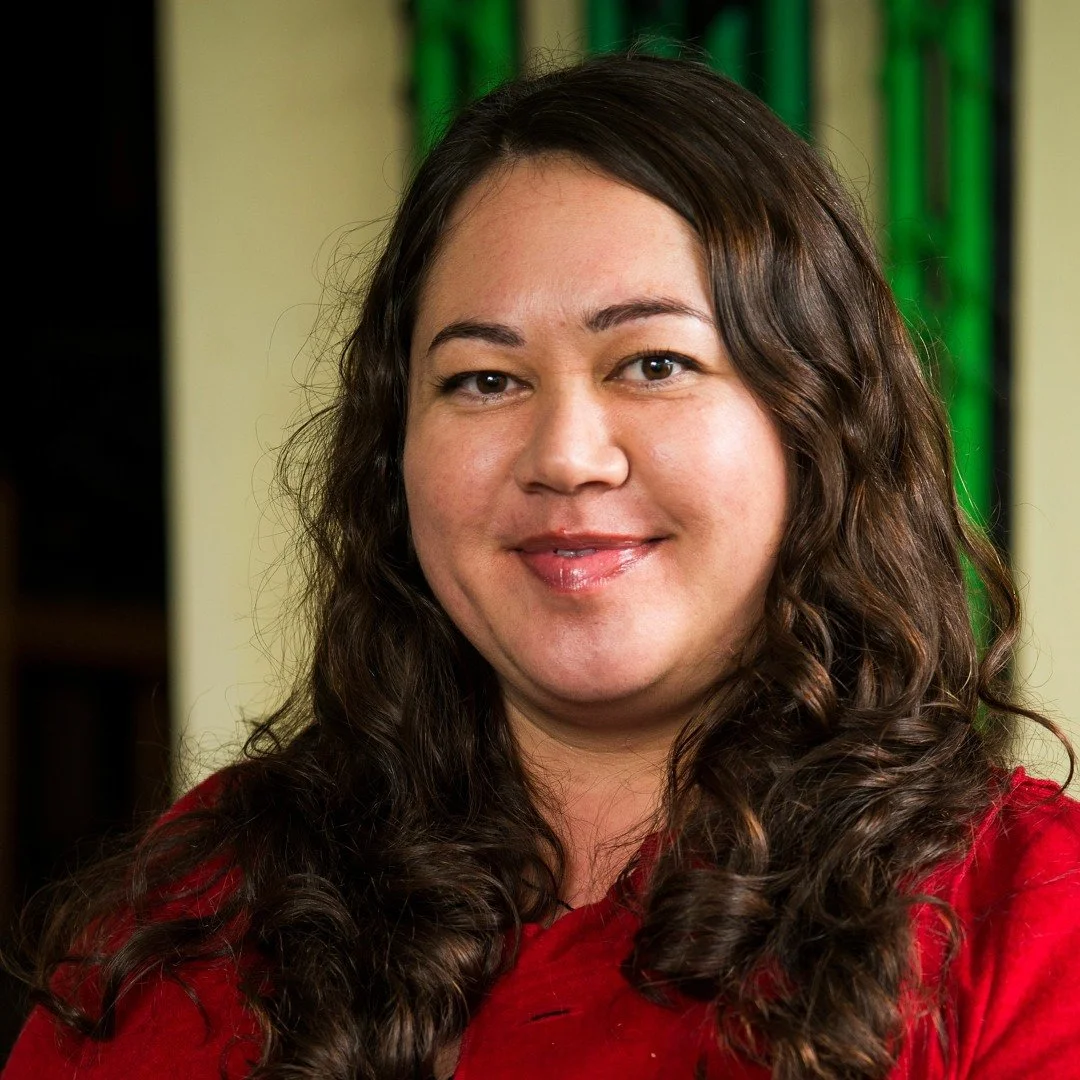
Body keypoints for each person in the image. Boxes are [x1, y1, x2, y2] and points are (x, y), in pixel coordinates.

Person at [5, 52, 1078, 1080]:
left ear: (813, 426)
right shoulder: (207, 914)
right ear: (396, 453)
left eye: (655, 364)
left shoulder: (1024, 918)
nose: (566, 455)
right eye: (482, 380)